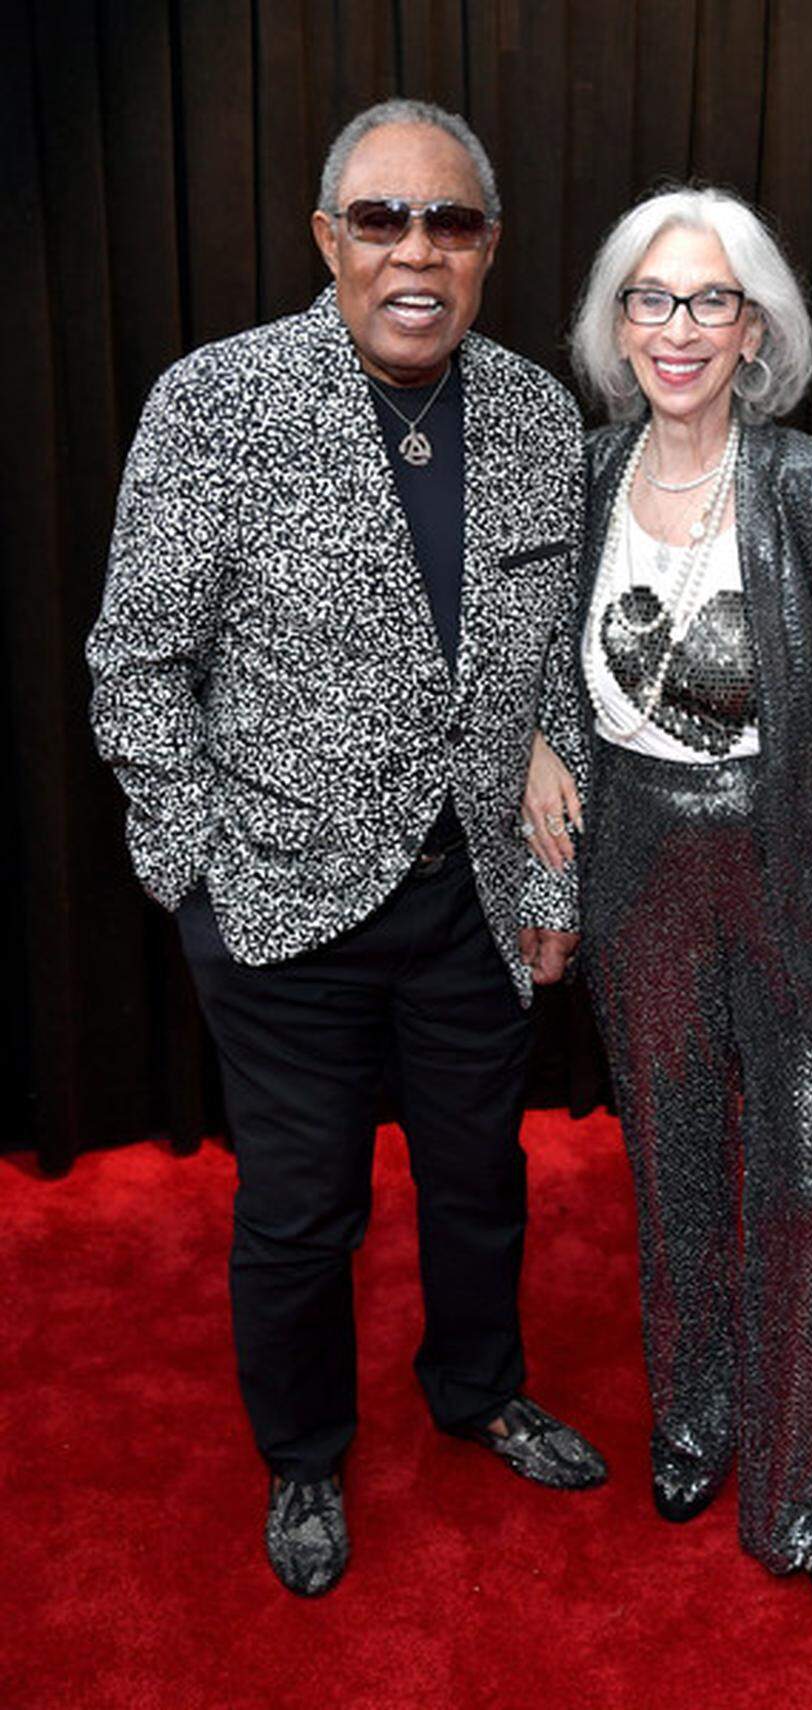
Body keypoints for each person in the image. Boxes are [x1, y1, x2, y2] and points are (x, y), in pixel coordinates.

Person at [87, 97, 606, 1599]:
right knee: (302, 1208)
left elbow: (549, 674)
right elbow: (136, 660)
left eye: (449, 221)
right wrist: (191, 869)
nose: (415, 250)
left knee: (479, 1179)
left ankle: (477, 1386)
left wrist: (553, 878)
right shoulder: (216, 403)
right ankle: (304, 1451)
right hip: (278, 900)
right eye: (380, 218)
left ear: (490, 247)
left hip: (476, 897)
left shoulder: (531, 414)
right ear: (328, 238)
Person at [523, 186, 812, 1630]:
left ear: (755, 330)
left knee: (808, 1191)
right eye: (650, 299)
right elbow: (542, 670)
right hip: (641, 874)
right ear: (617, 325)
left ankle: (807, 1494)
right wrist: (542, 774)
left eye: (707, 301)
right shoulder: (573, 476)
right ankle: (694, 1417)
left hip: (794, 872)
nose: (677, 328)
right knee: (677, 1177)